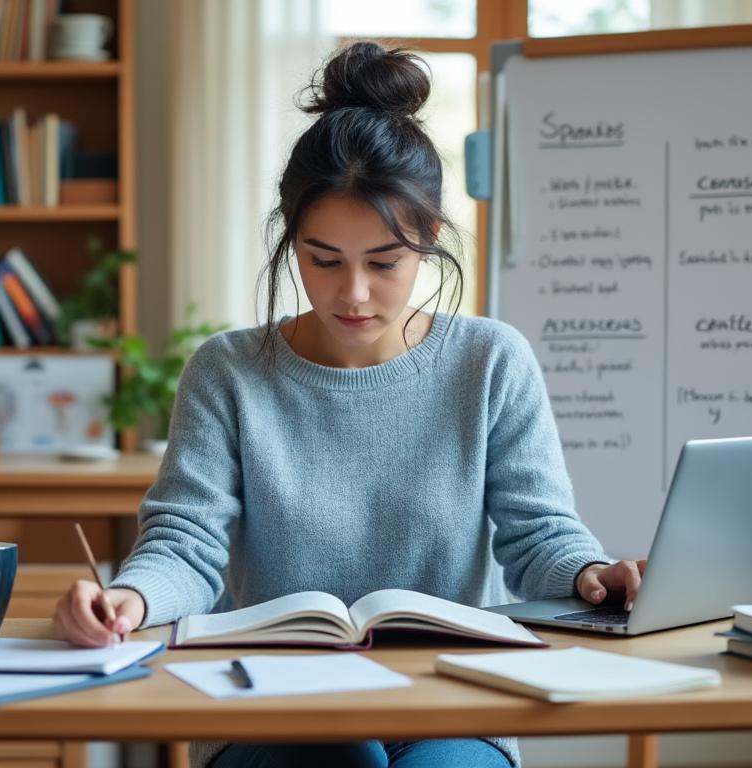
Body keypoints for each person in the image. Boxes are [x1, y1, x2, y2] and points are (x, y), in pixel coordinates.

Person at [53, 41, 647, 768]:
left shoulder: (491, 361)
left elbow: (538, 535)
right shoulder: (228, 371)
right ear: (290, 239)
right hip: (268, 705)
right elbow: (186, 545)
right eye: (323, 260)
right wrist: (132, 599)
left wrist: (590, 573)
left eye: (384, 263)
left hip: (450, 702)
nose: (353, 294)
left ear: (430, 239)